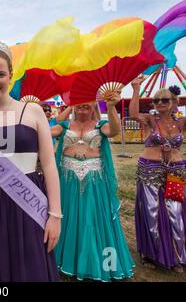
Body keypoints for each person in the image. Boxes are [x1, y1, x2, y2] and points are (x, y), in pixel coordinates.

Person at [0, 40, 61, 281]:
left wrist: (55, 215)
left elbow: (50, 164)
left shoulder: (32, 111)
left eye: (0, 74)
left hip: (29, 196)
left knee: (31, 264)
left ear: (11, 74)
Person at [52, 94, 135, 281]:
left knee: (93, 218)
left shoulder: (100, 126)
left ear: (93, 105)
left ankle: (102, 263)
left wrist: (111, 107)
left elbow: (114, 131)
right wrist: (70, 105)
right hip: (68, 179)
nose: (83, 107)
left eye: (87, 104)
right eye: (79, 105)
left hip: (94, 180)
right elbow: (49, 130)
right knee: (69, 216)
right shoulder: (64, 126)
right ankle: (67, 260)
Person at [130, 76, 186, 273]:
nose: (160, 103)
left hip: (176, 170)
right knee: (151, 211)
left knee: (176, 213)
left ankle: (178, 255)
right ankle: (151, 253)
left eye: (165, 100)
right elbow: (134, 112)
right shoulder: (150, 120)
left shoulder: (181, 122)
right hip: (149, 169)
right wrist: (136, 88)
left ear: (174, 102)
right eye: (156, 100)